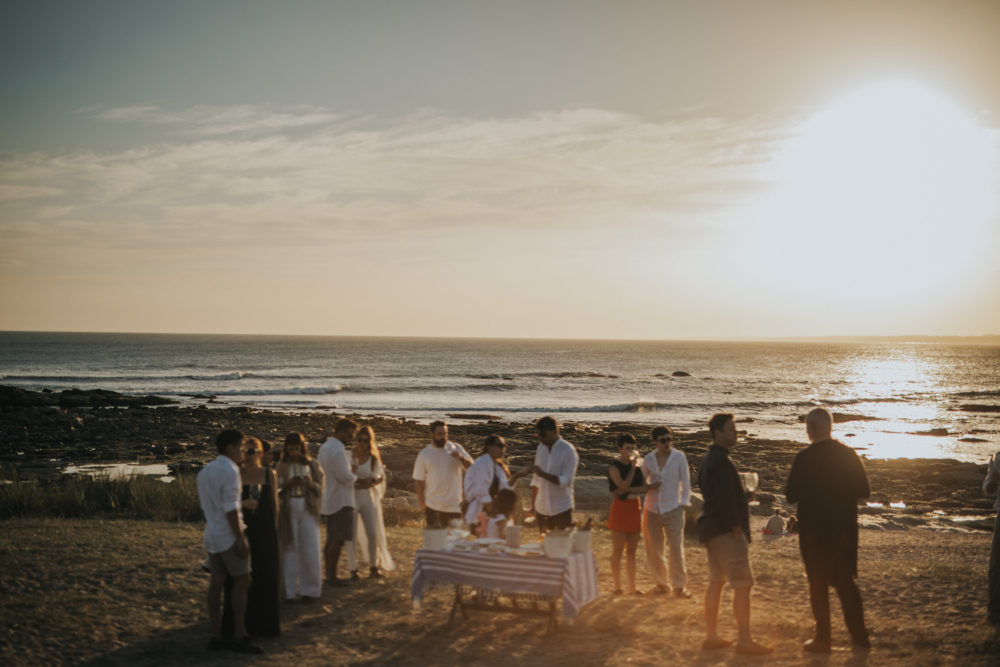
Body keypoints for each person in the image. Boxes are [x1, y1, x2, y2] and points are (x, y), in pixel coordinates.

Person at [786, 407, 872, 653]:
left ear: (811, 429)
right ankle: (860, 637)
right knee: (845, 584)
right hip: (844, 532)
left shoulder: (804, 458)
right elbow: (864, 491)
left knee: (818, 585)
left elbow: (791, 494)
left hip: (814, 534)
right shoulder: (848, 454)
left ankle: (823, 639)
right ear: (830, 427)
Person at [697, 413, 772, 655]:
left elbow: (717, 494)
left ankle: (711, 635)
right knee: (742, 584)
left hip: (712, 529)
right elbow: (722, 499)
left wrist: (743, 498)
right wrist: (735, 527)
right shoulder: (720, 461)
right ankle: (744, 640)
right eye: (731, 428)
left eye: (735, 427)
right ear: (717, 432)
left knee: (716, 582)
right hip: (726, 531)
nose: (736, 432)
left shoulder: (711, 459)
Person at [196, 429, 262, 654]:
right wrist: (241, 538)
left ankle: (215, 635)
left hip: (211, 533)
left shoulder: (205, 471)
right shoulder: (231, 471)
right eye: (241, 446)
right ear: (230, 448)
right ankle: (240, 634)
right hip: (227, 535)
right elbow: (231, 510)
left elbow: (207, 505)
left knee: (216, 583)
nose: (244, 450)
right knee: (243, 581)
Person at [222, 437, 280, 638]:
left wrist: (275, 530)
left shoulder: (268, 474)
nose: (247, 455)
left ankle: (264, 625)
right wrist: (242, 504)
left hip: (264, 531)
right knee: (240, 577)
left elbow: (274, 505)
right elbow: (228, 503)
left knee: (264, 574)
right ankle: (238, 625)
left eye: (252, 451)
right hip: (243, 529)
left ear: (260, 453)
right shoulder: (236, 474)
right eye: (244, 451)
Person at [642, 425, 692, 598]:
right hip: (652, 509)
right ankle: (661, 585)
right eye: (663, 440)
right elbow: (641, 483)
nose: (667, 443)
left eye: (669, 439)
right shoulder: (648, 459)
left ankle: (679, 586)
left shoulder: (679, 457)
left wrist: (683, 504)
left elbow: (686, 482)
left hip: (673, 508)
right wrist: (649, 486)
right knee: (655, 549)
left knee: (676, 549)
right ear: (655, 441)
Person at [607, 433, 659, 595]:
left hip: (634, 506)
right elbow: (621, 484)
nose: (630, 451)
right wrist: (631, 468)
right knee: (618, 550)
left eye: (632, 448)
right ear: (620, 449)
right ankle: (617, 586)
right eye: (627, 448)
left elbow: (644, 488)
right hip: (620, 507)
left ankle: (632, 586)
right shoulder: (614, 467)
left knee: (632, 551)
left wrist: (626, 489)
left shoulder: (638, 468)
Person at [276, 432, 323, 603]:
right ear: (286, 450)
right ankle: (288, 592)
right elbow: (276, 490)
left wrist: (310, 484)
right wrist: (287, 485)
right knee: (289, 548)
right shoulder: (281, 466)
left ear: (302, 448)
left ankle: (310, 591)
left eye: (297, 449)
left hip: (307, 506)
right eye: (291, 449)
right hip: (289, 508)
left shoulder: (312, 464)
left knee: (310, 548)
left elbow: (320, 487)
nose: (294, 452)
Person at [347, 425, 396, 579]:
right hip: (352, 496)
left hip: (368, 497)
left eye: (366, 441)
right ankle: (353, 568)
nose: (362, 443)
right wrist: (357, 478)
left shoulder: (373, 458)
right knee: (351, 535)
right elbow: (345, 476)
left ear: (370, 442)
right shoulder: (348, 456)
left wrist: (373, 481)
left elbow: (379, 475)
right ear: (355, 440)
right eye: (359, 440)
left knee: (372, 533)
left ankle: (374, 566)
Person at [318, 418, 359, 586]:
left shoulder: (325, 447)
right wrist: (355, 476)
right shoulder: (338, 450)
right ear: (341, 431)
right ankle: (331, 577)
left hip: (329, 496)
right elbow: (345, 477)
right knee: (338, 540)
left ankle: (328, 574)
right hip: (342, 499)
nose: (351, 438)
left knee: (330, 539)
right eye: (350, 435)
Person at [463, 434, 531, 535]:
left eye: (504, 446)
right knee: (484, 542)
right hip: (481, 510)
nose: (503, 449)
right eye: (500, 445)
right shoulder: (482, 464)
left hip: (493, 510)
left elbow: (505, 488)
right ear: (489, 447)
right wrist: (494, 512)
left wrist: (518, 475)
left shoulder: (498, 467)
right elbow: (480, 491)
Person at [413, 420, 473, 528]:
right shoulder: (425, 454)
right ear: (432, 434)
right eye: (440, 434)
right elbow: (418, 481)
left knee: (454, 542)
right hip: (433, 507)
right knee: (435, 542)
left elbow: (473, 468)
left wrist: (461, 458)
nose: (443, 437)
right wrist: (423, 505)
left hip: (454, 506)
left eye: (445, 433)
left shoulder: (456, 448)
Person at [530, 416, 580, 533]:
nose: (540, 438)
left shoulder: (568, 450)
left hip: (561, 508)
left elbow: (566, 481)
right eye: (538, 435)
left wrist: (543, 474)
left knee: (561, 547)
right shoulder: (540, 448)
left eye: (543, 435)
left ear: (554, 431)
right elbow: (536, 479)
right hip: (541, 507)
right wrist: (532, 504)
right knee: (544, 546)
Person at [985, 451, 1000, 626]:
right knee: (996, 565)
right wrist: (993, 482)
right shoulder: (998, 458)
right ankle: (994, 611)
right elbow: (987, 487)